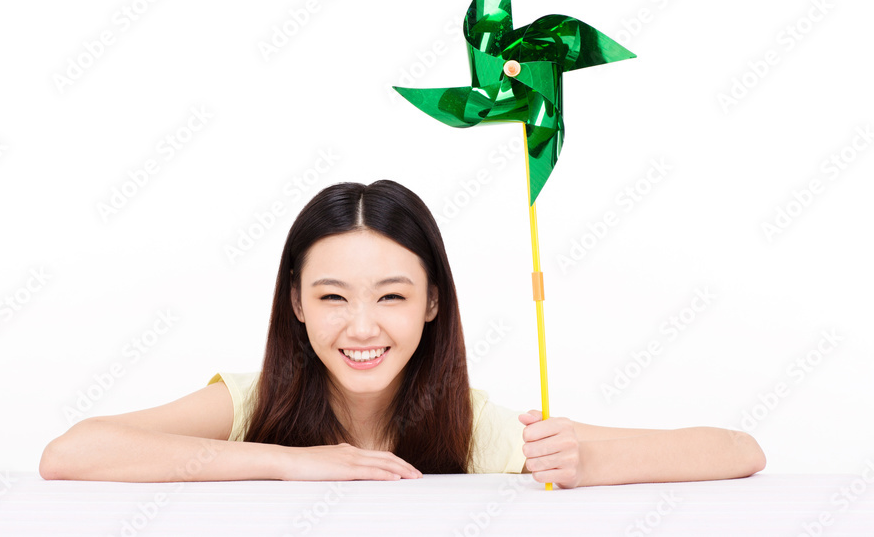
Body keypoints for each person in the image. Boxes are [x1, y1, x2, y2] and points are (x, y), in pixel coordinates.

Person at [39, 180, 765, 487]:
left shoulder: (472, 423)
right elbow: (71, 453)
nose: (362, 326)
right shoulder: (248, 402)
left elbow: (740, 451)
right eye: (332, 296)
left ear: (431, 305)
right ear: (294, 300)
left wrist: (575, 456)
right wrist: (291, 462)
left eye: (391, 295)